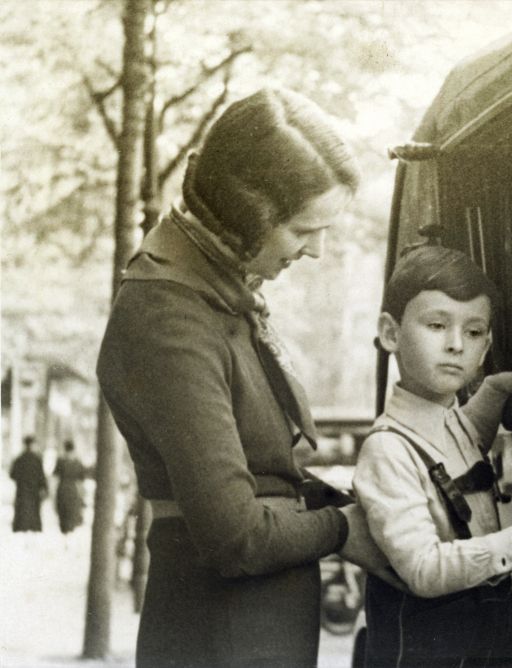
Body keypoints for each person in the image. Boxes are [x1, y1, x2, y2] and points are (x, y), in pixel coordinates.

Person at [96, 88, 393, 668]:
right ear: (246, 212)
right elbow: (233, 533)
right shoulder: (170, 313)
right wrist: (341, 528)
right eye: (305, 230)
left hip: (245, 625)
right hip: (221, 629)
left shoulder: (209, 289)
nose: (316, 250)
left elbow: (268, 476)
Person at [354, 246, 512, 666]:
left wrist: (494, 391)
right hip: (427, 647)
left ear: (486, 345)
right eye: (437, 325)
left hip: (481, 626)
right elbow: (423, 569)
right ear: (391, 333)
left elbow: (461, 442)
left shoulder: (452, 423)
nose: (457, 344)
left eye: (474, 332)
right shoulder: (387, 448)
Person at [10, 435, 47, 533]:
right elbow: (42, 476)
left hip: (22, 490)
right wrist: (44, 488)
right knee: (33, 513)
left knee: (22, 512)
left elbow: (12, 475)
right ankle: (33, 529)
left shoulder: (19, 459)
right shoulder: (37, 459)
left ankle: (22, 529)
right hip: (34, 491)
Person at [52, 439, 86, 534]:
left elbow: (55, 478)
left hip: (62, 489)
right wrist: (82, 495)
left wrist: (53, 493)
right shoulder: (78, 463)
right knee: (72, 513)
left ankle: (65, 535)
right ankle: (70, 535)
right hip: (73, 490)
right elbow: (81, 482)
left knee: (63, 513)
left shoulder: (60, 462)